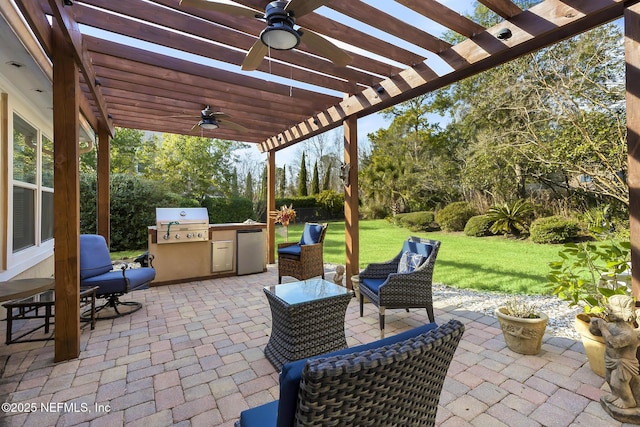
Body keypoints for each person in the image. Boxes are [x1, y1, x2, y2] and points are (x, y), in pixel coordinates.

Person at [590, 294, 640, 409]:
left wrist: (603, 328)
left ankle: (629, 401)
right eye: (610, 308)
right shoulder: (612, 325)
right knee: (608, 379)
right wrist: (594, 325)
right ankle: (615, 394)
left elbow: (613, 343)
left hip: (623, 364)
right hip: (610, 360)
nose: (610, 311)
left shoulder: (628, 333)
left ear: (625, 312)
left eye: (614, 309)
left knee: (618, 383)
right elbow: (597, 333)